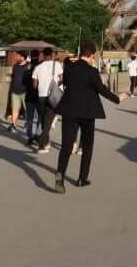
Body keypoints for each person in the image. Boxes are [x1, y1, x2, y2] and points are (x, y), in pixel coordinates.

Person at [51, 42, 128, 192]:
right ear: (92, 55)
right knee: (87, 146)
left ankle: (60, 176)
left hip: (69, 110)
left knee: (66, 146)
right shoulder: (92, 71)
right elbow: (101, 90)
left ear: (81, 54)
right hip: (87, 112)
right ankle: (82, 179)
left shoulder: (69, 69)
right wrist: (118, 98)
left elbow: (65, 83)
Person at [32, 48, 63, 153]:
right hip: (52, 96)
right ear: (52, 55)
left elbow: (35, 85)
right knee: (47, 122)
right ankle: (41, 144)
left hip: (41, 96)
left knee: (43, 119)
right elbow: (62, 79)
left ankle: (46, 142)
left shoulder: (38, 67)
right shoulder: (57, 65)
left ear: (43, 55)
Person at [24, 50, 41, 145]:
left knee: (29, 118)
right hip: (39, 95)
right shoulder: (40, 66)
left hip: (29, 95)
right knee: (39, 117)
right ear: (39, 55)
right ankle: (37, 135)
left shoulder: (27, 67)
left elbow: (24, 81)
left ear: (31, 55)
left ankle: (30, 136)